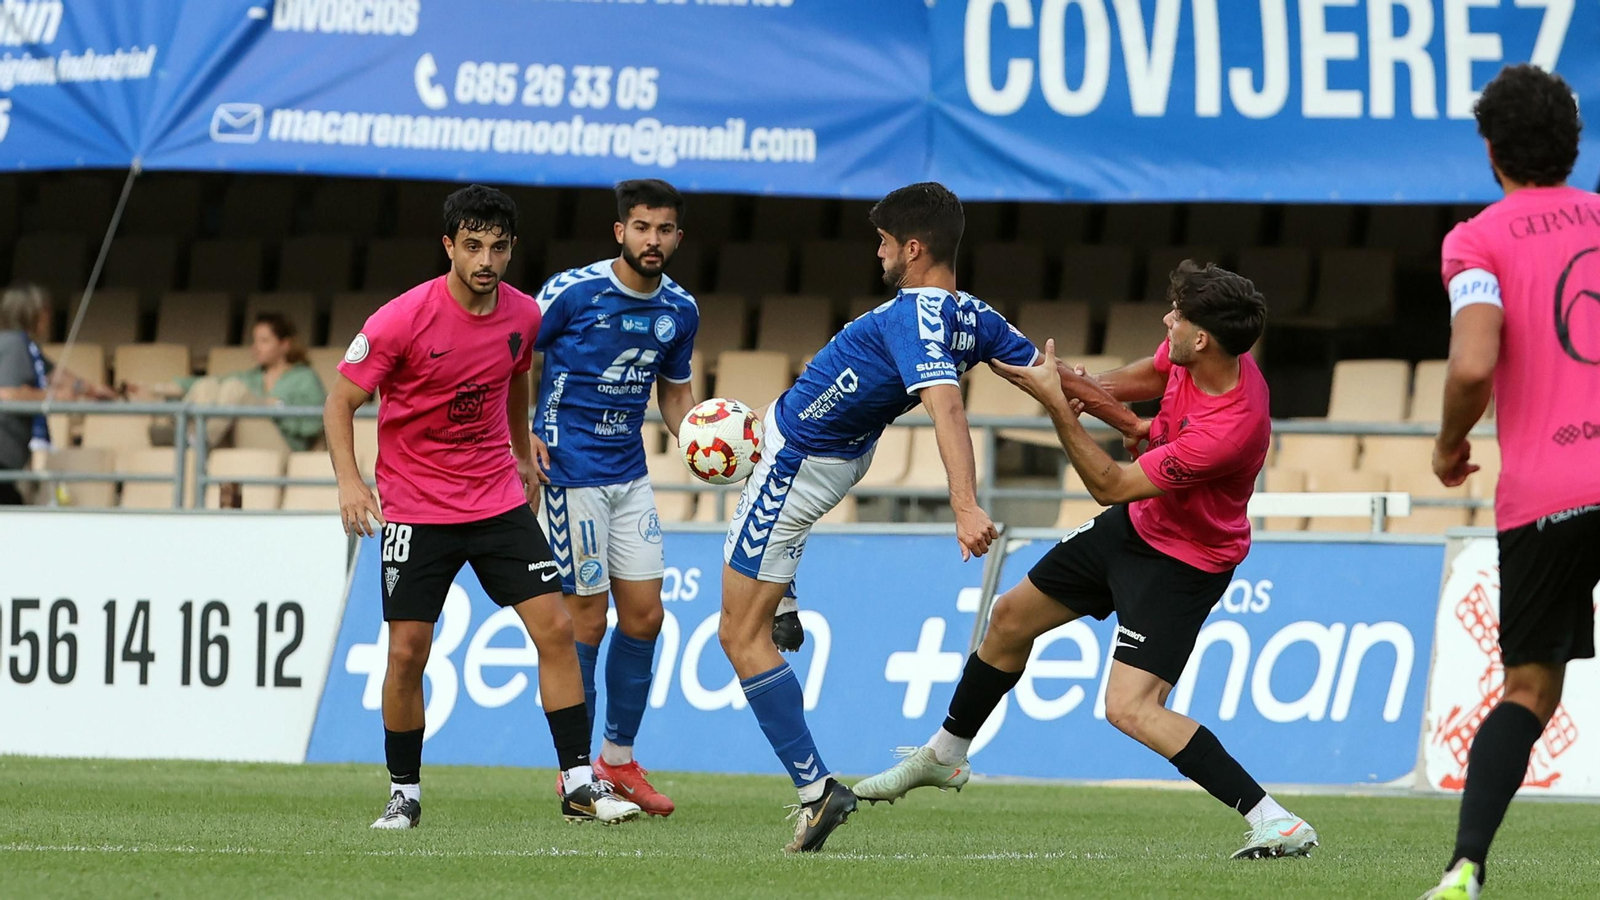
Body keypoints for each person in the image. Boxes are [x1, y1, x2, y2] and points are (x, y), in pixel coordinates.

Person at [714, 182, 1137, 853]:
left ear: (912, 248)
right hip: (799, 445)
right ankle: (787, 596)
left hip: (797, 463)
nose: (876, 252)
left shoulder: (915, 320)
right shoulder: (972, 315)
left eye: (883, 241)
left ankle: (816, 792)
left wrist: (965, 507)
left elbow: (948, 409)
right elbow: (1061, 378)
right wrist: (1133, 423)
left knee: (738, 636)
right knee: (759, 585)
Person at [856, 260, 1321, 862]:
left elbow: (1110, 483)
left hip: (1184, 563)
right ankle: (945, 756)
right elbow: (1142, 377)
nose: (1167, 320)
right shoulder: (1202, 356)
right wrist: (1078, 384)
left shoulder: (1230, 427)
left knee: (1130, 708)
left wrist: (1057, 403)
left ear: (1202, 338)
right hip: (1134, 530)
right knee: (1010, 617)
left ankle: (1275, 821)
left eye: (1176, 316)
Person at [324, 184, 640, 829]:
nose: (485, 260)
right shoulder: (399, 319)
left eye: (497, 247)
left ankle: (579, 783)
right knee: (408, 653)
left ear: (511, 248)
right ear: (449, 246)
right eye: (472, 246)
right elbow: (339, 403)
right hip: (416, 507)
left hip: (495, 498)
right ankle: (404, 792)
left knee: (557, 630)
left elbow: (516, 374)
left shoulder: (524, 315)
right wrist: (352, 485)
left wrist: (522, 452)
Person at [1418, 64, 1600, 900]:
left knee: (1526, 690)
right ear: (1573, 144)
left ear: (1491, 150)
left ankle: (1466, 868)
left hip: (1548, 496)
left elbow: (1473, 361)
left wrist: (1451, 443)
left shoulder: (1478, 239)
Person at [526, 179, 699, 815]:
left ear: (678, 237)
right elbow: (515, 354)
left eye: (665, 230)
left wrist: (704, 442)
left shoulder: (680, 309)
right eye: (642, 227)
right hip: (571, 475)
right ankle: (576, 773)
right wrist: (522, 435)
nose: (653, 240)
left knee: (647, 616)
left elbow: (674, 396)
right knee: (588, 620)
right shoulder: (572, 292)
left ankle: (618, 762)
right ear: (620, 231)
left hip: (630, 476)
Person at [137, 313, 326, 450]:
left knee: (235, 388)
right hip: (244, 440)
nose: (256, 348)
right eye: (255, 341)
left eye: (264, 341)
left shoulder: (305, 377)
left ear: (285, 345)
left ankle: (192, 437)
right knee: (207, 385)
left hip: (285, 445)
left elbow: (314, 423)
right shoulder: (252, 376)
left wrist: (278, 408)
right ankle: (188, 434)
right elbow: (201, 382)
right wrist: (155, 388)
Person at [0, 283, 117, 504]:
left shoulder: (26, 347)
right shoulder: (14, 344)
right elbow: (7, 394)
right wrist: (54, 396)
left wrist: (91, 388)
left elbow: (55, 374)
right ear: (35, 313)